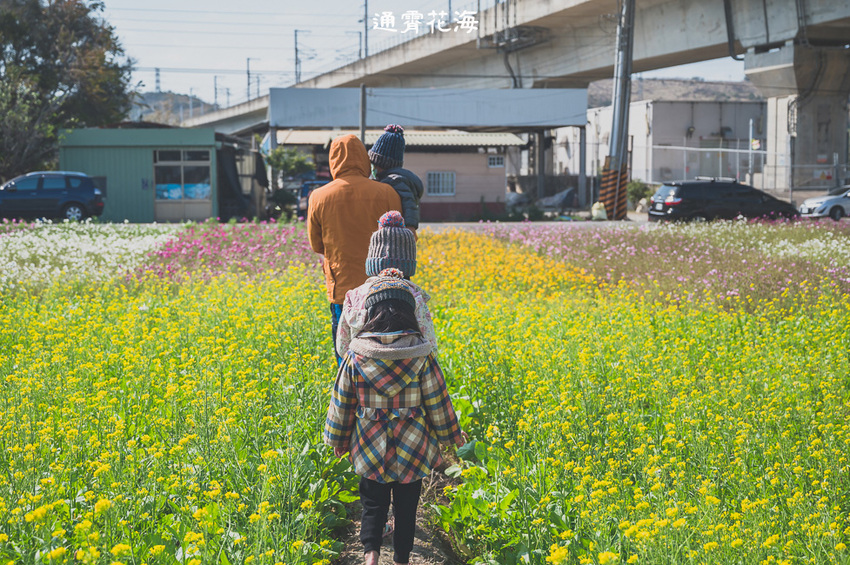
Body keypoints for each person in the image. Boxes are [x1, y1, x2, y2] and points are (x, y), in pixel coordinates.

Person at [324, 270, 465, 565]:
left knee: (373, 506)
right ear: (408, 313)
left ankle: (371, 558)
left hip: (369, 446)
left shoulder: (356, 354)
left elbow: (342, 401)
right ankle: (401, 560)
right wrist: (449, 440)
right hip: (413, 448)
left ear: (371, 312)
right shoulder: (421, 354)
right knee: (406, 509)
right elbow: (438, 401)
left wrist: (338, 440)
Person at [308, 134, 402, 363]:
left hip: (342, 289)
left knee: (347, 354)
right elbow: (399, 238)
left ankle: (349, 397)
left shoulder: (318, 196)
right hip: (382, 288)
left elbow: (316, 245)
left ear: (333, 161)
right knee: (383, 354)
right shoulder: (386, 193)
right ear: (364, 159)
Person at [336, 211, 438, 361]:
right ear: (409, 265)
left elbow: (342, 347)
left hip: (364, 375)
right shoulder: (415, 295)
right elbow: (431, 348)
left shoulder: (354, 296)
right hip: (408, 375)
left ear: (372, 262)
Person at [368, 125, 424, 234]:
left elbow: (409, 205)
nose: (372, 167)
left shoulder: (394, 181)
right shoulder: (393, 179)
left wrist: (410, 228)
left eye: (373, 163)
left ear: (381, 163)